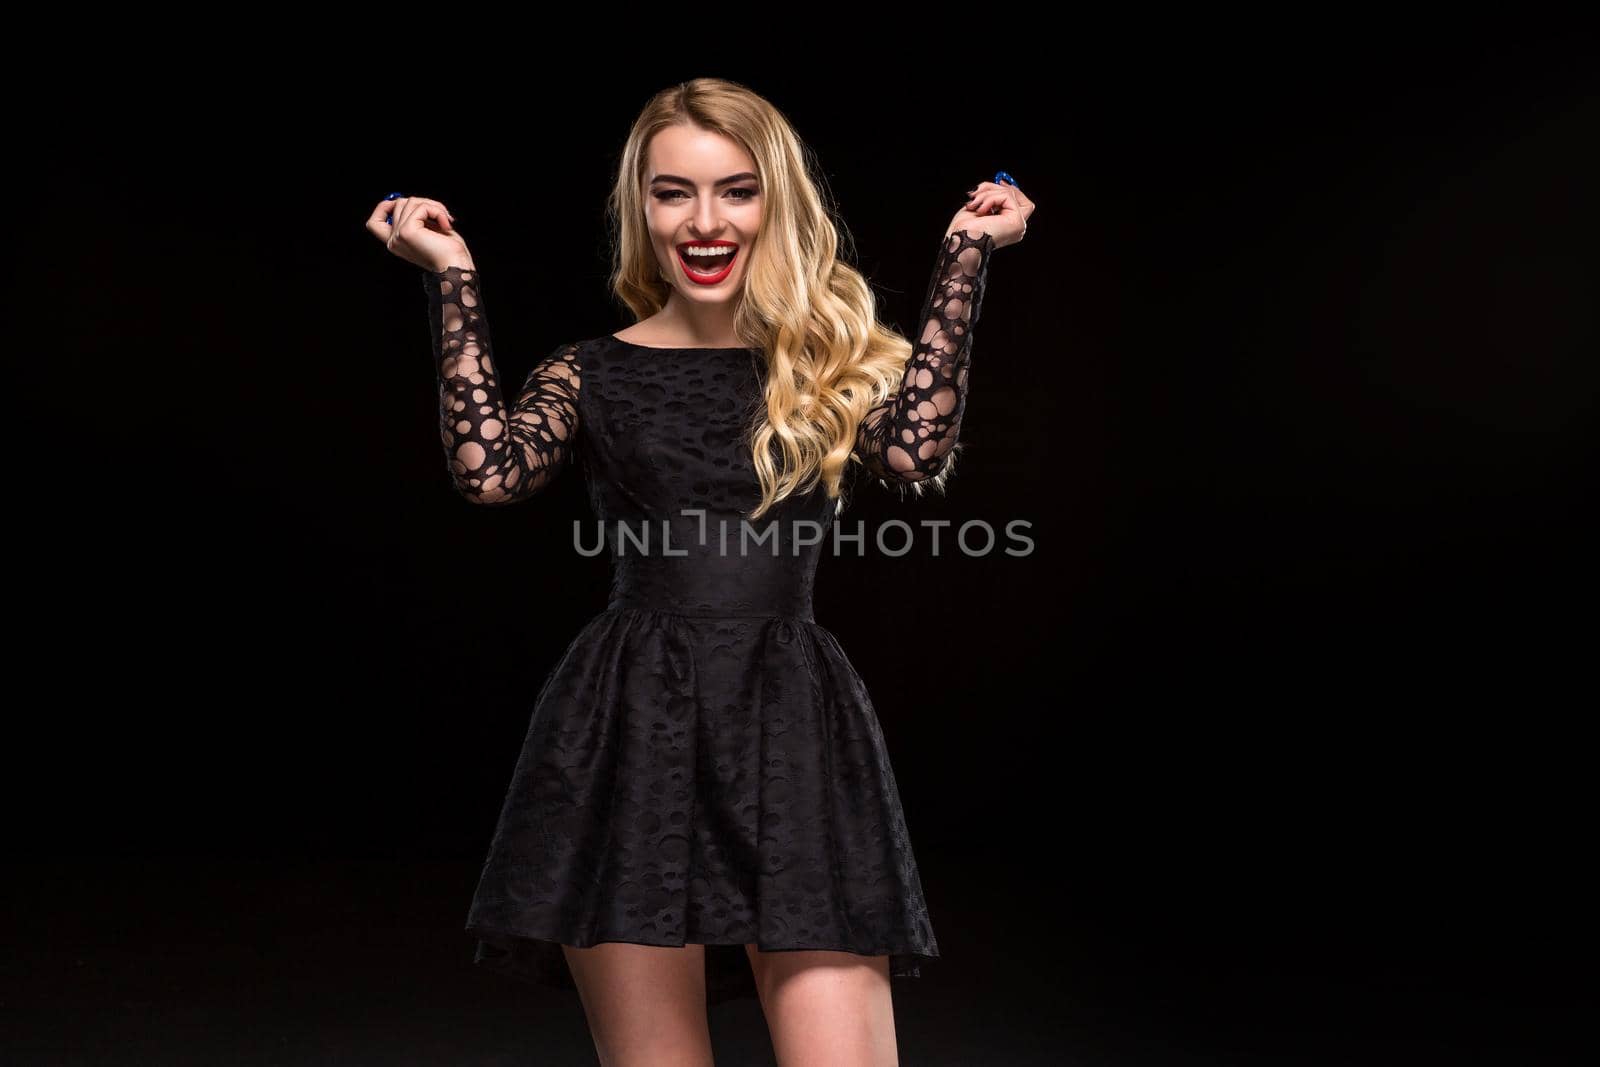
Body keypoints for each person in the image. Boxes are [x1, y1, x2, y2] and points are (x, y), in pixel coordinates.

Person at [366, 77, 1033, 1066]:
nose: (705, 219)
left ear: (778, 205)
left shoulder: (824, 360)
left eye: (737, 189)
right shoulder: (591, 369)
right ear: (641, 209)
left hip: (791, 724)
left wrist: (966, 256)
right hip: (627, 727)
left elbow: (911, 452)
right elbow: (490, 472)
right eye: (672, 191)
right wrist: (450, 276)